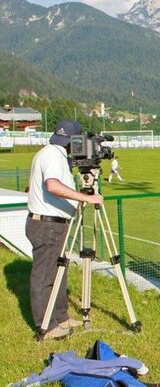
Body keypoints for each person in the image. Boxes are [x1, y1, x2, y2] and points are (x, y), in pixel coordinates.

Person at [27, 120, 104, 340]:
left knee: (58, 271)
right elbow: (52, 185)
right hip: (47, 225)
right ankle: (46, 326)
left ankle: (60, 317)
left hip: (52, 224)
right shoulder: (53, 155)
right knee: (45, 275)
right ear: (74, 141)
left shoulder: (50, 152)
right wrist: (86, 198)